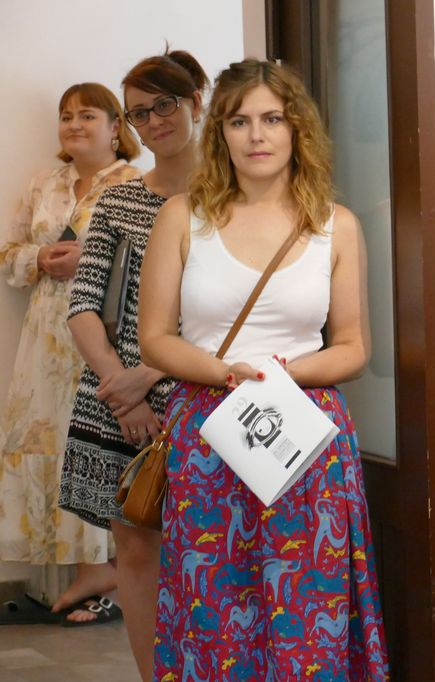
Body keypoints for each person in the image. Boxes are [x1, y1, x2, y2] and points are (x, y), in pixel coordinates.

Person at [138, 59, 388, 680]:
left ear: (297, 128)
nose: (257, 135)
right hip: (207, 432)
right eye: (239, 121)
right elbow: (154, 339)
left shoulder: (336, 225)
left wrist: (285, 376)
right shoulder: (182, 217)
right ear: (219, 132)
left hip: (303, 432)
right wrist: (224, 371)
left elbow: (353, 346)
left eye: (272, 119)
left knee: (308, 606)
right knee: (213, 608)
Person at [57, 50, 208, 672]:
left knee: (211, 553)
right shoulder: (118, 201)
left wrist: (149, 376)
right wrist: (123, 388)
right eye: (139, 113)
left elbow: (233, 318)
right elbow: (83, 307)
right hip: (116, 403)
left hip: (200, 394)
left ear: (198, 99)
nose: (153, 122)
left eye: (164, 104)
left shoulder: (229, 202)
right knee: (138, 554)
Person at [0, 83, 140, 622]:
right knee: (47, 443)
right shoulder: (44, 183)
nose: (74, 125)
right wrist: (40, 258)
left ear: (114, 126)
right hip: (44, 334)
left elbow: (152, 261)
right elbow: (9, 253)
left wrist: (91, 259)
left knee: (96, 442)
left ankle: (109, 575)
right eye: (66, 116)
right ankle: (65, 575)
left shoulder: (134, 183)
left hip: (104, 332)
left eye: (87, 115)